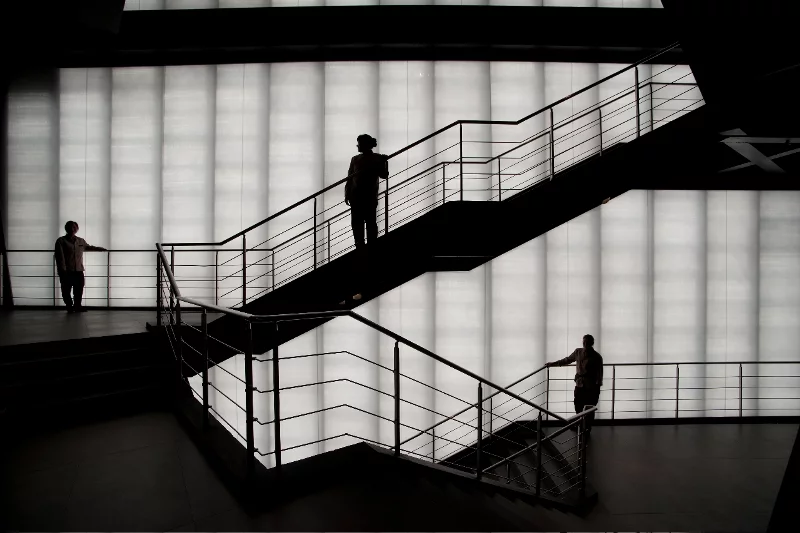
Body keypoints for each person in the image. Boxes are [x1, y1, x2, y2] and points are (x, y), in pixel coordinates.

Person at [342, 134, 389, 302]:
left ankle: (370, 243)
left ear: (367, 144)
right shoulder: (355, 159)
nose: (357, 146)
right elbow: (349, 177)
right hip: (357, 196)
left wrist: (383, 161)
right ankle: (360, 243)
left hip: (368, 196)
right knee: (357, 222)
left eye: (359, 143)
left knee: (369, 221)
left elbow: (384, 175)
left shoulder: (377, 158)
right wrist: (347, 193)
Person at [545, 334, 603, 434]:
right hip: (579, 384)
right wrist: (553, 364)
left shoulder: (597, 356)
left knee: (589, 407)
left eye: (588, 342)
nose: (585, 344)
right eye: (584, 341)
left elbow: (599, 373)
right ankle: (580, 424)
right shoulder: (578, 352)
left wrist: (597, 388)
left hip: (591, 386)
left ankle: (587, 427)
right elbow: (567, 360)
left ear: (592, 343)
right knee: (578, 405)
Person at [54, 221, 107, 313]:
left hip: (78, 270)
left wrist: (100, 249)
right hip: (66, 270)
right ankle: (69, 306)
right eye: (70, 227)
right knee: (66, 290)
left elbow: (89, 247)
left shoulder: (80, 241)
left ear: (77, 229)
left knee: (79, 289)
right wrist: (62, 270)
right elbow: (60, 257)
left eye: (74, 227)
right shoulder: (61, 241)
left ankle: (77, 306)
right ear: (66, 228)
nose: (72, 229)